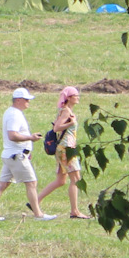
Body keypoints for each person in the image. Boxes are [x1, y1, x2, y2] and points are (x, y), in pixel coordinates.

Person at [0, 89, 57, 221]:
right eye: (26, 100)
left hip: (11, 155)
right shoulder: (14, 115)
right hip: (16, 156)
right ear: (18, 100)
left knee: (3, 184)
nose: (28, 102)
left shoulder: (11, 112)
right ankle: (38, 214)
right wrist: (31, 138)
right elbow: (12, 135)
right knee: (31, 183)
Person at [34, 86, 85, 219]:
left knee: (61, 180)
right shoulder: (66, 111)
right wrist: (70, 123)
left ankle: (35, 201)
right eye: (75, 95)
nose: (78, 97)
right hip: (66, 148)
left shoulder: (64, 110)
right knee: (76, 179)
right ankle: (75, 211)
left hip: (62, 148)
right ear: (69, 98)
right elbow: (57, 128)